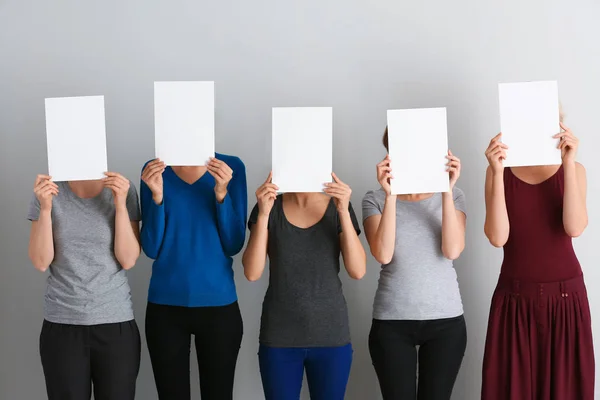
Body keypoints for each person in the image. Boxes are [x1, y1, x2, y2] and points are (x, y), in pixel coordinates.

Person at [481, 121, 594, 399]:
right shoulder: (498, 173)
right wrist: (496, 172)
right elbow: (497, 237)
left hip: (566, 301)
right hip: (514, 302)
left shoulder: (576, 170)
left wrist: (568, 163)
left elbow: (575, 228)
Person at [362, 128, 468, 400]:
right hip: (391, 322)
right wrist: (391, 195)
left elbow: (452, 249)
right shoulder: (374, 199)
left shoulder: (455, 196)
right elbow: (383, 254)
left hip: (446, 321)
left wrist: (445, 189)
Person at [243, 171, 366, 400]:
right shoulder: (270, 206)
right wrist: (263, 214)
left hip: (331, 336)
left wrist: (342, 210)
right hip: (279, 337)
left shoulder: (339, 206)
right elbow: (252, 272)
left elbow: (358, 270)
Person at [140, 155, 247, 400]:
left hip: (219, 305)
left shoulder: (231, 168)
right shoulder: (155, 169)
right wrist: (157, 197)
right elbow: (151, 248)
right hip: (164, 306)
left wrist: (221, 193)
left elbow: (234, 243)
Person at [28, 172, 142, 400]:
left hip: (115, 324)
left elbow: (128, 260)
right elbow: (41, 262)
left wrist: (120, 204)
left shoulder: (122, 188)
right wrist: (45, 209)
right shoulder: (48, 190)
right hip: (62, 325)